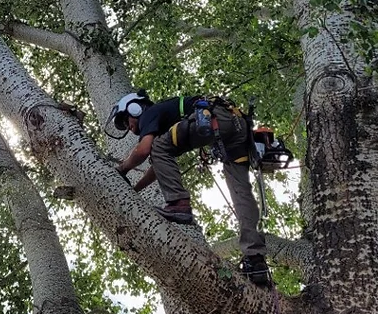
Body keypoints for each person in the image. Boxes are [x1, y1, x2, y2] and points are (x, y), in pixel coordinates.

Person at [109, 91, 271, 285]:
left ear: (135, 108)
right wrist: (135, 190)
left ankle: (179, 204)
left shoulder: (150, 114)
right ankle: (256, 260)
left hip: (212, 119)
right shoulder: (162, 131)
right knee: (241, 193)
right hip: (236, 127)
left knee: (158, 146)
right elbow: (155, 168)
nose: (130, 127)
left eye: (127, 122)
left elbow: (144, 150)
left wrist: (121, 170)